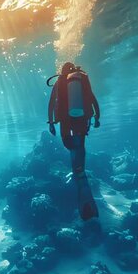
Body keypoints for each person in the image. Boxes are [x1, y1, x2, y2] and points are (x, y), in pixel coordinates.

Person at [47, 62, 100, 220]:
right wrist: (97, 116)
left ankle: (77, 171)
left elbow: (51, 104)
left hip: (65, 120)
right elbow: (91, 98)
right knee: (80, 145)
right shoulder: (82, 79)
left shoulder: (59, 81)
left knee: (69, 146)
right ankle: (80, 168)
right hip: (81, 119)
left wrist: (51, 123)